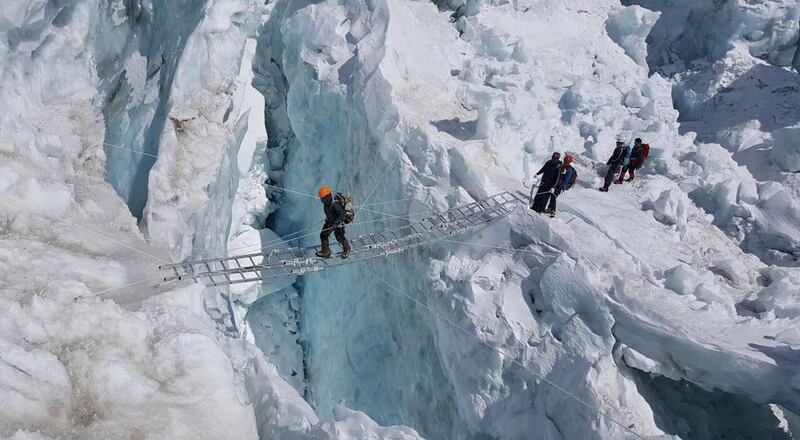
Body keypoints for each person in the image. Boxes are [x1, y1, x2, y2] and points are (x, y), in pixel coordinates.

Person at [316, 186, 351, 259]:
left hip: (338, 224)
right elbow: (329, 213)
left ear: (327, 197)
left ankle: (347, 249)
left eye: (322, 199)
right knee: (323, 235)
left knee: (339, 238)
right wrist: (328, 221)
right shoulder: (326, 205)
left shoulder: (335, 205)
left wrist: (336, 224)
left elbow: (342, 214)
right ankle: (325, 252)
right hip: (330, 222)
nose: (322, 200)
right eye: (321, 199)